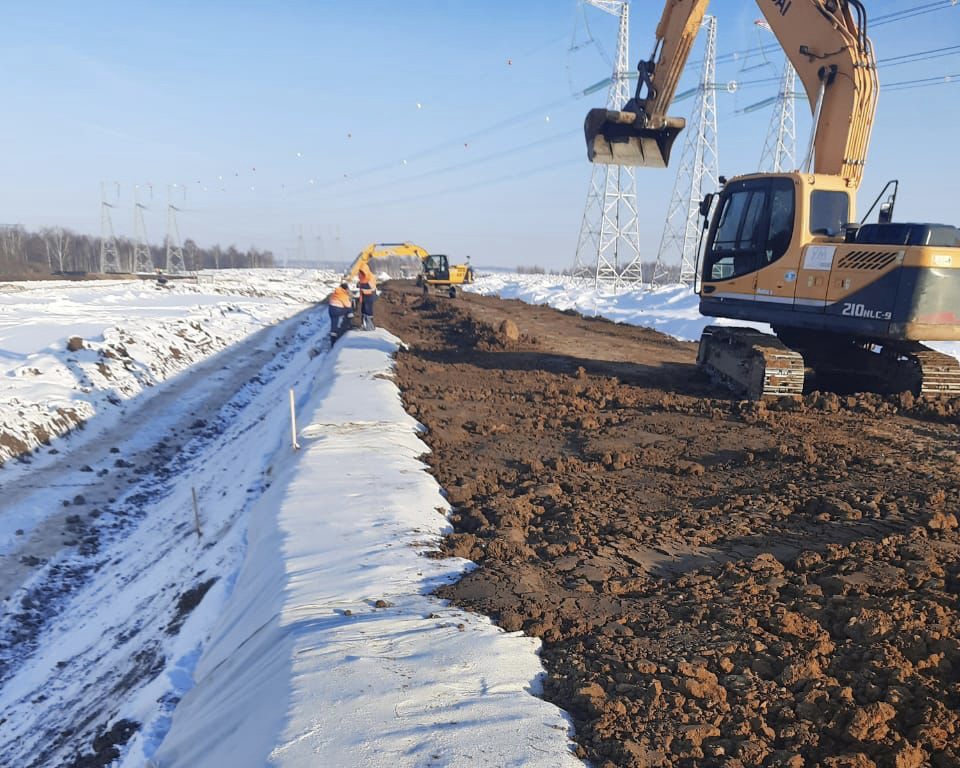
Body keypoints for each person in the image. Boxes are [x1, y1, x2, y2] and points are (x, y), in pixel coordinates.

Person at [327, 281, 353, 345]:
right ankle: (349, 324)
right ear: (346, 289)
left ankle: (333, 342)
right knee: (349, 310)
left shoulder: (335, 293)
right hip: (338, 310)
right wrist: (350, 298)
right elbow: (348, 305)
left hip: (331, 310)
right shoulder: (344, 295)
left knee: (334, 325)